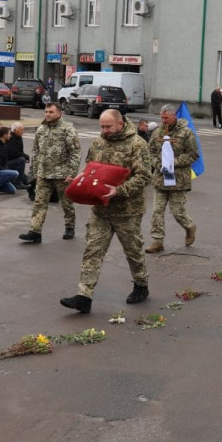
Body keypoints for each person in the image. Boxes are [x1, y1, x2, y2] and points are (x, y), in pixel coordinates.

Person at [60, 110, 152, 312]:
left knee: (133, 251)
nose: (104, 130)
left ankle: (141, 285)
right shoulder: (98, 142)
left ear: (120, 123)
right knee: (93, 250)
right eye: (101, 126)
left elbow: (144, 176)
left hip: (127, 211)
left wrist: (119, 191)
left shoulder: (137, 144)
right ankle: (84, 296)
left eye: (108, 126)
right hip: (100, 209)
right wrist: (79, 180)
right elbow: (90, 169)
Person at [20, 102, 80, 244]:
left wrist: (72, 173)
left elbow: (75, 152)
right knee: (39, 203)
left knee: (66, 203)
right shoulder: (41, 129)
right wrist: (35, 171)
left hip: (62, 174)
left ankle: (70, 227)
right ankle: (35, 231)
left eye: (51, 112)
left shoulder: (67, 129)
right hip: (43, 174)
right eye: (46, 111)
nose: (47, 114)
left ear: (59, 113)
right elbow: (35, 151)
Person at [145, 104, 199, 253]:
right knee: (157, 211)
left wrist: (172, 163)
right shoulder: (157, 132)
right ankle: (157, 240)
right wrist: (158, 163)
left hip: (178, 179)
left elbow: (194, 154)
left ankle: (189, 227)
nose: (164, 121)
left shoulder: (186, 133)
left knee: (177, 212)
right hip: (160, 178)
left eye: (166, 118)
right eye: (162, 118)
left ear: (174, 116)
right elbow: (150, 152)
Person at [5, 122, 30, 189]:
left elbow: (19, 151)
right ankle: (17, 183)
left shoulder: (18, 137)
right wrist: (24, 156)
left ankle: (19, 180)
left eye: (23, 129)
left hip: (12, 161)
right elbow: (12, 153)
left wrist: (24, 155)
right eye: (21, 129)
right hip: (6, 162)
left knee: (28, 181)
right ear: (15, 130)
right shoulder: (11, 138)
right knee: (21, 160)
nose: (23, 131)